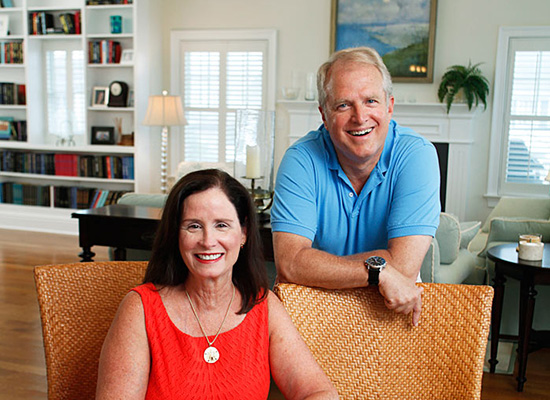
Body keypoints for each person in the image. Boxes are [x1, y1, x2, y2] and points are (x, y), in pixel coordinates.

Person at [96, 169, 338, 399]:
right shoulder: (140, 309)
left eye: (221, 225)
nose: (208, 241)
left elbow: (319, 392)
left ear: (243, 233)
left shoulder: (264, 306)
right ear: (176, 235)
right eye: (194, 226)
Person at [271, 47, 440, 326]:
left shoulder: (417, 155)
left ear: (389, 106)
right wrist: (379, 272)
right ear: (324, 115)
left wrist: (316, 267)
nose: (360, 117)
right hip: (317, 310)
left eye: (371, 100)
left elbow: (405, 266)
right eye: (343, 105)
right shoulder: (300, 160)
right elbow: (289, 264)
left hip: (392, 310)